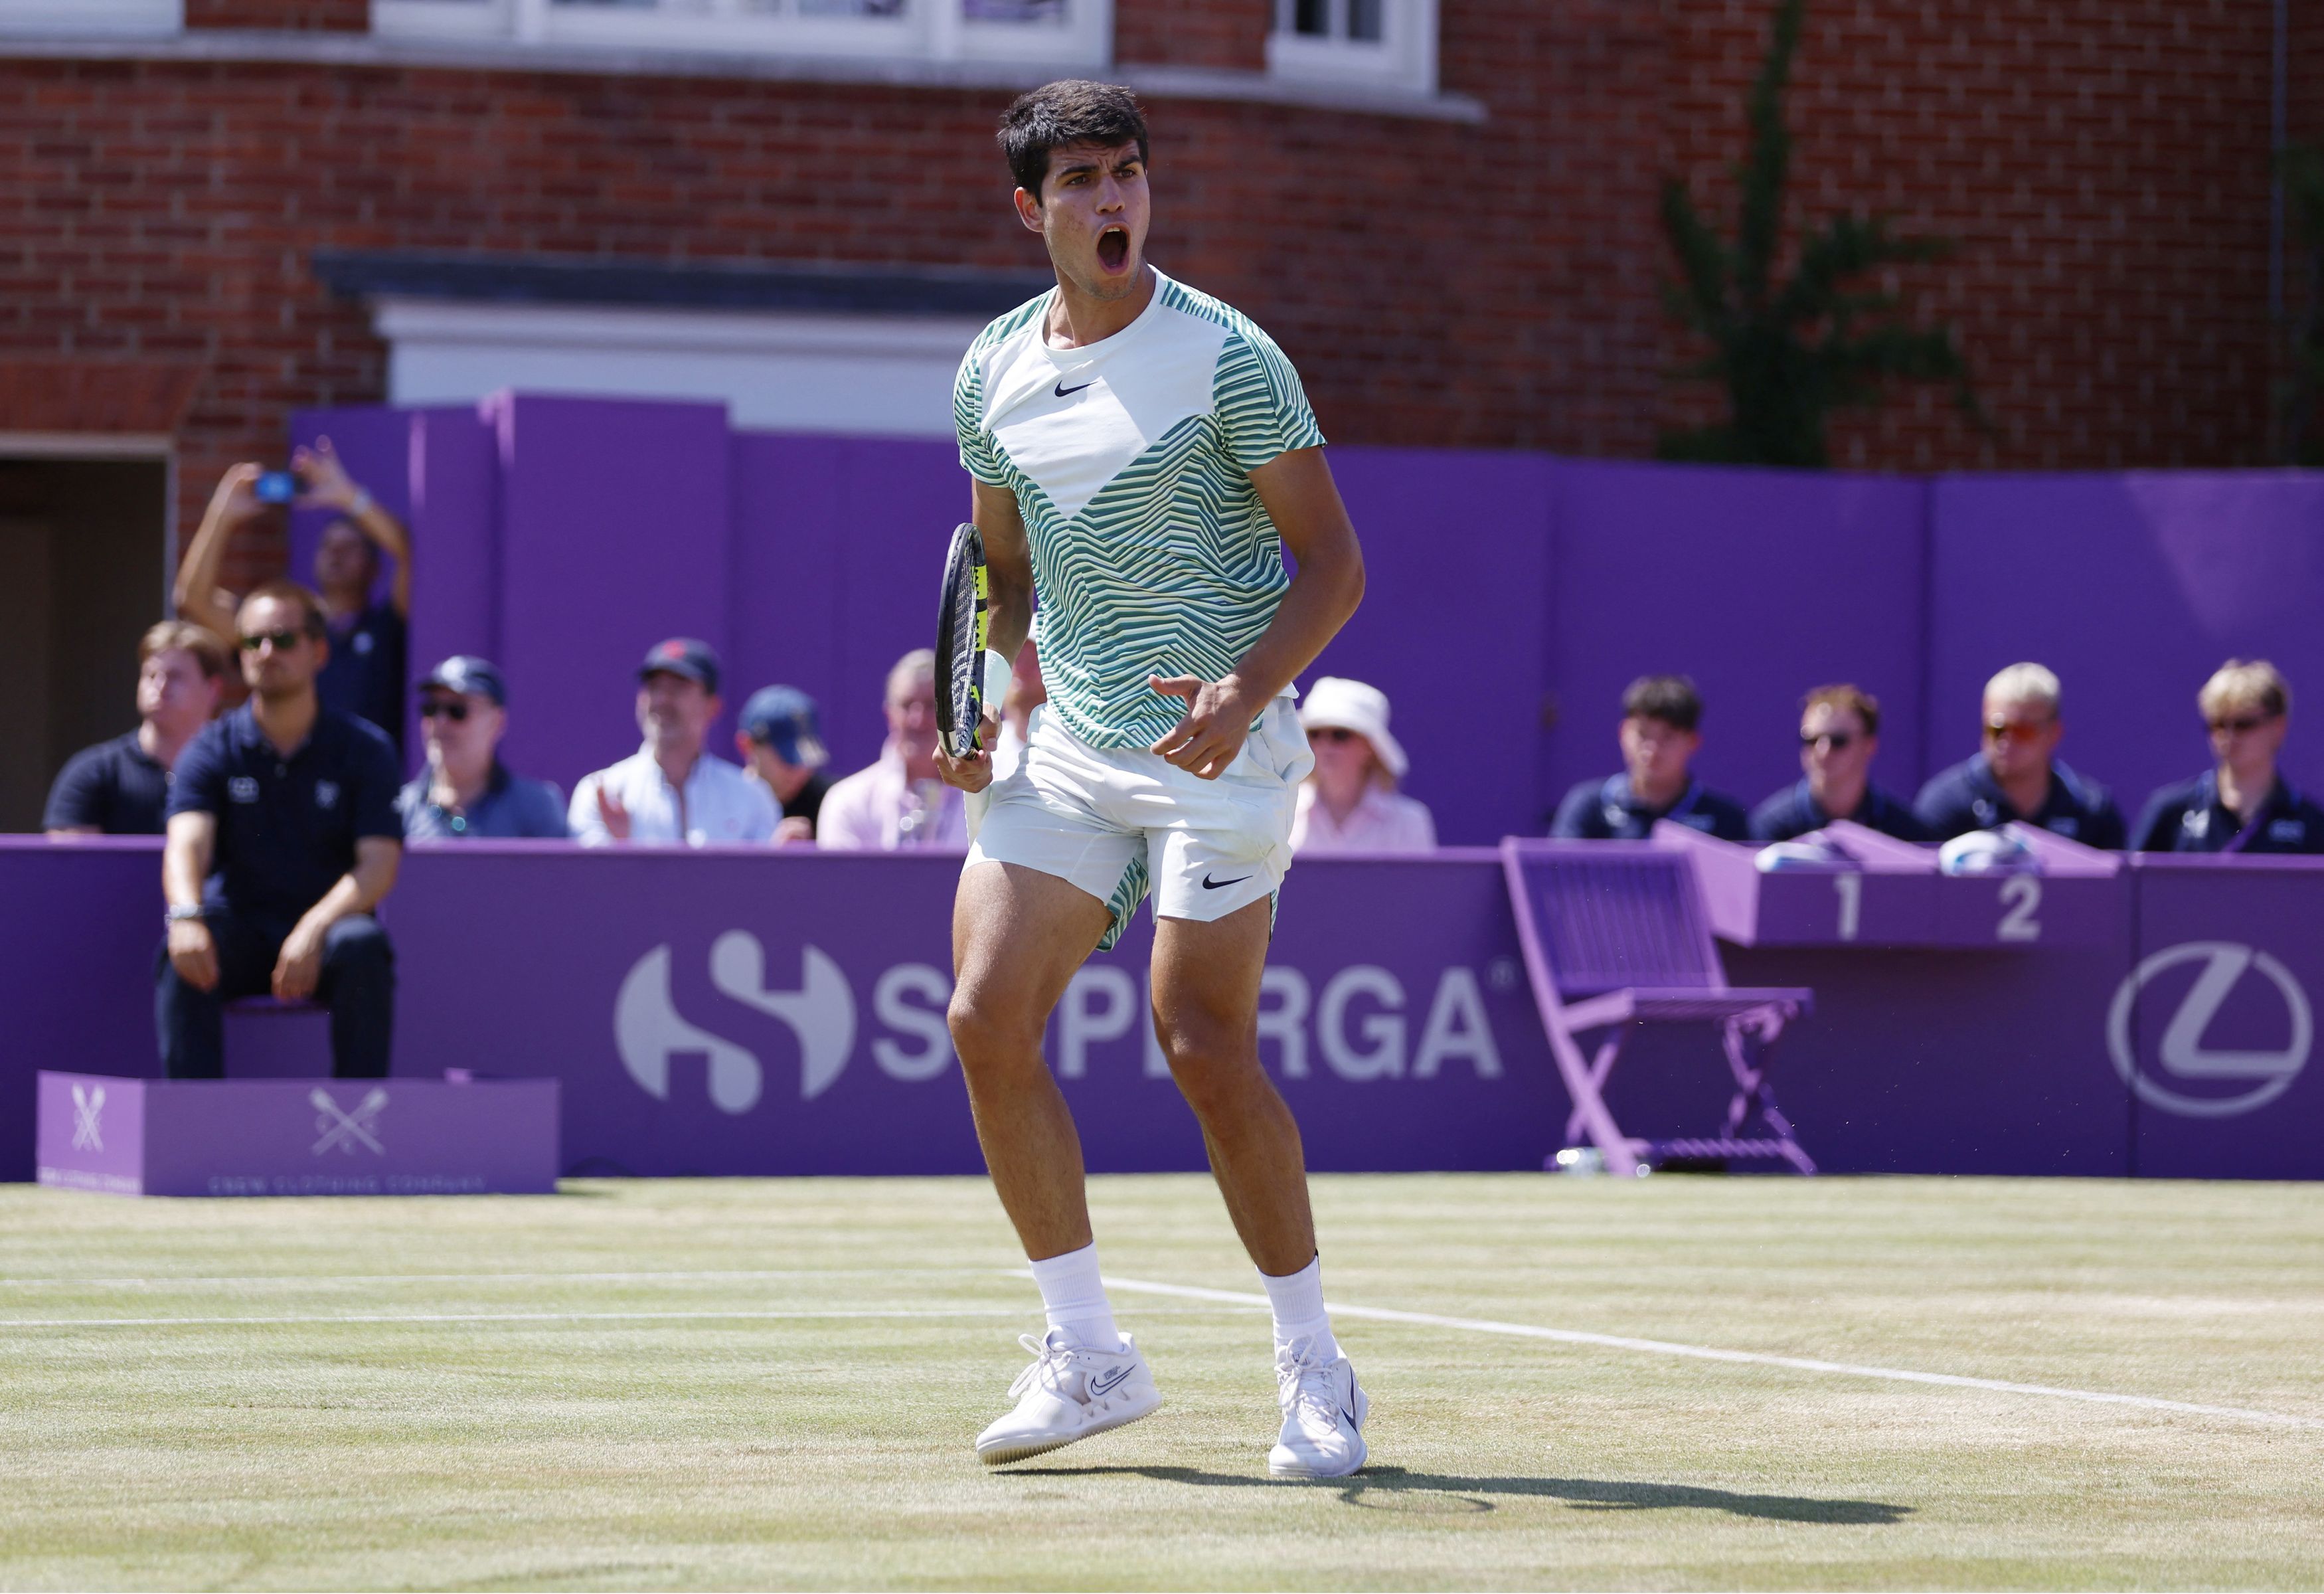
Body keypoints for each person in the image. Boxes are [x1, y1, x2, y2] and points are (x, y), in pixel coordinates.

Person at [935, 82, 1371, 1479]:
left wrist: (1246, 689)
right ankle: (1090, 1356)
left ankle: (1314, 1368)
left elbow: (1337, 567)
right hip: (1070, 748)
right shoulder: (988, 373)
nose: (1111, 201)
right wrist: (991, 695)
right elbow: (1002, 576)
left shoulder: (1231, 360)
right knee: (985, 1018)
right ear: (1031, 210)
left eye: (1126, 174)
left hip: (1222, 743)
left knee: (1200, 1039)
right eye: (1078, 182)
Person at [157, 580, 402, 1079]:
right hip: (241, 928)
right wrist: (184, 915)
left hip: (329, 926)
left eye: (284, 639)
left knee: (363, 948)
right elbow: (186, 844)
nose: (267, 653)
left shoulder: (365, 749)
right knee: (183, 951)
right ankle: (193, 1126)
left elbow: (378, 865)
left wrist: (313, 929)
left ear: (319, 652)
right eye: (253, 641)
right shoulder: (211, 749)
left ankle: (360, 1125)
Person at [175, 440, 412, 749]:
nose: (336, 555)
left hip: (362, 785)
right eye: (327, 546)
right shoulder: (283, 630)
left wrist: (350, 498)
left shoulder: (387, 626)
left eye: (349, 547)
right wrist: (222, 514)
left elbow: (409, 554)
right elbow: (192, 598)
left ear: (374, 568)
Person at [568, 638, 776, 847]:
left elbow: (761, 879)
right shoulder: (600, 792)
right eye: (654, 688)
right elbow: (590, 879)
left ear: (712, 706)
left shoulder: (752, 798)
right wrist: (622, 847)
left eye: (678, 688)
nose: (662, 700)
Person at [44, 622, 228, 836]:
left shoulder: (235, 771)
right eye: (151, 676)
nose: (160, 687)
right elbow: (68, 866)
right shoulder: (94, 773)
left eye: (175, 677)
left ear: (213, 690)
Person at [1914, 662, 2125, 847]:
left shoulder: (2092, 810)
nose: (2007, 741)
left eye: (2023, 731)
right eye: (1997, 729)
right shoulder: (1946, 804)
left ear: (2054, 734)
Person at [2132, 660, 2324, 853]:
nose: (2228, 737)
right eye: (2218, 725)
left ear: (2278, 728)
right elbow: (2132, 882)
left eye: (2243, 724)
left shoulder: (2311, 823)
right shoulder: (2172, 811)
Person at [1550, 674, 1750, 842]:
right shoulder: (1588, 806)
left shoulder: (1726, 818)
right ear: (1622, 734)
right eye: (1643, 734)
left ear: (1693, 742)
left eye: (1668, 737)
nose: (1652, 750)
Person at [396, 656, 568, 840]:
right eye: (431, 709)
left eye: (457, 710)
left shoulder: (537, 806)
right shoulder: (398, 809)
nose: (440, 722)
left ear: (497, 722)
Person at [816, 650, 970, 849]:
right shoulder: (848, 802)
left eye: (932, 705)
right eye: (907, 706)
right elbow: (841, 880)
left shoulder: (987, 802)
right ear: (889, 715)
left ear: (954, 714)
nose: (919, 720)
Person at [1750, 684, 1933, 843]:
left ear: (1869, 746)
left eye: (1838, 740)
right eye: (1811, 740)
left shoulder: (1904, 832)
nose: (1823, 751)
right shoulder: (1770, 829)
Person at [1287, 675, 1436, 853]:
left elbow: (1419, 881)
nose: (1325, 746)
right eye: (1315, 734)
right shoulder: (1280, 813)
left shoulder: (1409, 822)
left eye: (1340, 735)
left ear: (1370, 748)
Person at [734, 685, 833, 845]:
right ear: (747, 745)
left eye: (806, 759)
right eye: (789, 758)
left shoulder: (833, 801)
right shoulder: (723, 804)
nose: (801, 770)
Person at [990, 638, 1048, 780]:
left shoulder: (1072, 750)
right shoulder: (986, 751)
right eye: (1017, 658)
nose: (1021, 669)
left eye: (1034, 660)